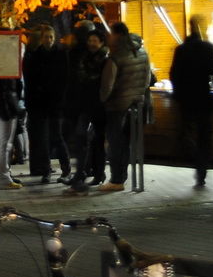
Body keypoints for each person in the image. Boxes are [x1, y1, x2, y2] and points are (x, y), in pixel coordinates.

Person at [170, 19, 213, 186]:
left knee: (187, 133)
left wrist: (178, 93)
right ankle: (202, 167)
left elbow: (173, 73)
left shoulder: (181, 49)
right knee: (205, 135)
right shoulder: (208, 48)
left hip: (186, 99)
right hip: (204, 98)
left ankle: (197, 160)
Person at [95, 21, 152, 193]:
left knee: (115, 141)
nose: (108, 37)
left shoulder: (116, 56)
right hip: (137, 103)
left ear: (117, 35)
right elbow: (147, 78)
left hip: (118, 104)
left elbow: (107, 84)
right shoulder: (142, 51)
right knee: (127, 142)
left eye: (110, 34)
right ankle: (123, 178)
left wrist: (104, 100)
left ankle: (117, 179)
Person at [61, 23, 109, 195]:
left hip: (93, 105)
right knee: (85, 139)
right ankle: (86, 173)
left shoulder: (101, 58)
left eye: (94, 40)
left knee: (91, 139)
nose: (91, 43)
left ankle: (90, 173)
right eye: (90, 39)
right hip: (86, 104)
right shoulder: (84, 56)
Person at [21, 24, 69, 184]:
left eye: (51, 37)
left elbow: (64, 79)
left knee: (57, 136)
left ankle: (66, 168)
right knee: (43, 138)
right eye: (46, 37)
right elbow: (30, 80)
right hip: (40, 102)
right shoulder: (35, 56)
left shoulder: (61, 54)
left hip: (55, 102)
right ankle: (46, 169)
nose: (48, 40)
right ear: (41, 38)